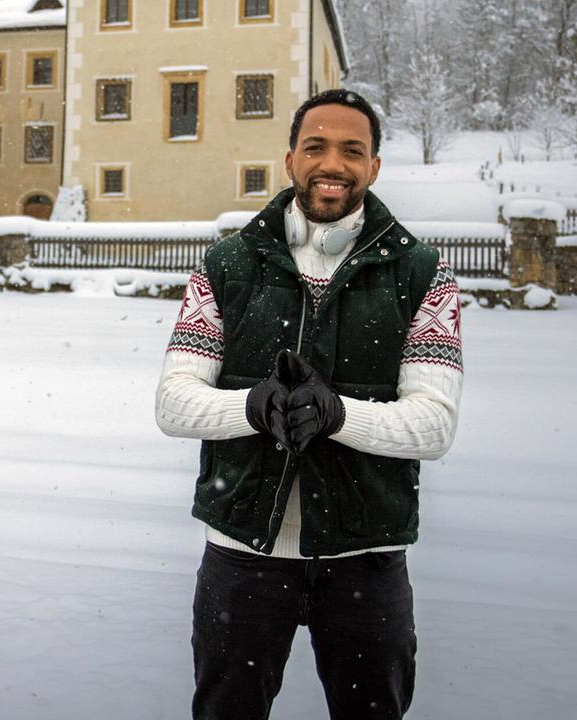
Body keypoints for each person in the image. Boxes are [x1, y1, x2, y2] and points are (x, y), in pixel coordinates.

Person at [154, 89, 463, 720]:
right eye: (316, 146)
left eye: (353, 150)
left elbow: (433, 425)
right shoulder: (226, 265)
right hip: (243, 557)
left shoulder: (423, 276)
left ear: (374, 167)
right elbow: (174, 403)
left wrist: (340, 415)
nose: (333, 163)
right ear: (290, 158)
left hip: (364, 560)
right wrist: (253, 406)